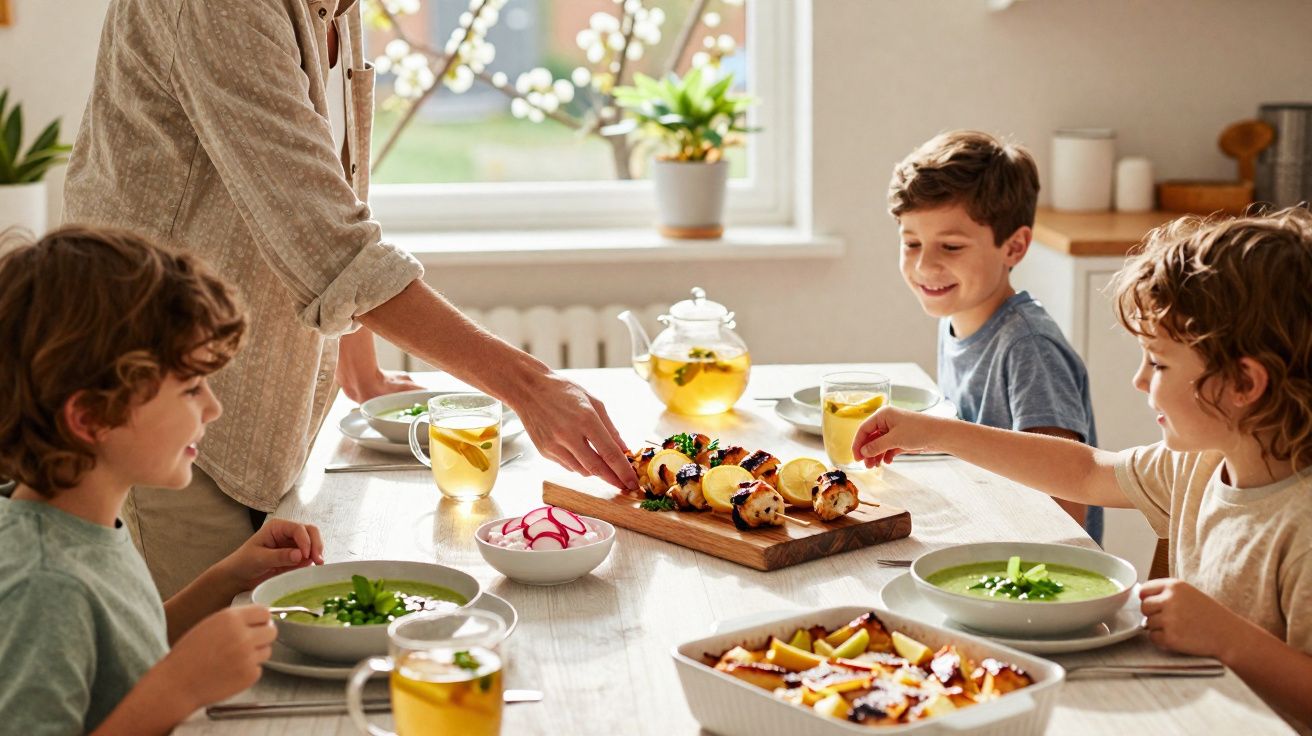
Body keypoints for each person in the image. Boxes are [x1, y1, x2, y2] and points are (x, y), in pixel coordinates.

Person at [62, 0, 639, 597]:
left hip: (253, 400)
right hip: (159, 397)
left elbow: (324, 195)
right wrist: (530, 388)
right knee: (209, 670)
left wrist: (356, 365)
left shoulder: (337, 8)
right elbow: (325, 241)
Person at [854, 207, 1312, 732]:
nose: (1140, 380)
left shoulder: (1301, 525)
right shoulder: (1201, 463)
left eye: (1158, 363)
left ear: (1243, 384)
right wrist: (933, 431)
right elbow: (1086, 470)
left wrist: (1229, 637)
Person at [0, 226, 326, 734]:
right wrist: (180, 686)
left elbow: (124, 659)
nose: (213, 409)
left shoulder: (78, 523)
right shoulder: (44, 586)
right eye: (192, 388)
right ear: (91, 418)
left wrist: (229, 578)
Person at [887, 130, 1102, 541]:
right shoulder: (957, 316)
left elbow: (1066, 507)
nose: (925, 266)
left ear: (1014, 247)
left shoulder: (1029, 347)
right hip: (983, 535)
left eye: (950, 247)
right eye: (912, 243)